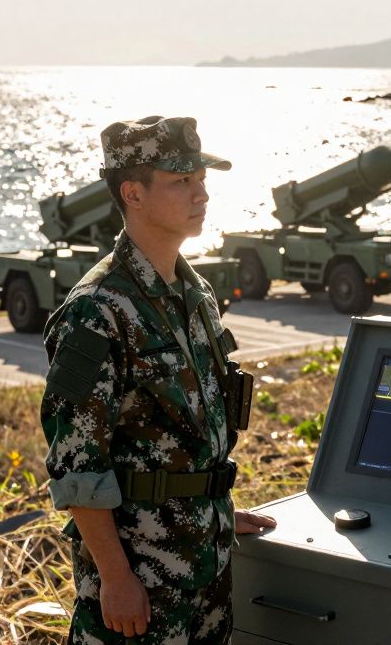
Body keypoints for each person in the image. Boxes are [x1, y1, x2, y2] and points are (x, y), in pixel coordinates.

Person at [41, 115, 277, 644]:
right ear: (134, 194)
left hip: (205, 562)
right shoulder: (98, 310)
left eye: (200, 178)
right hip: (142, 576)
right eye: (181, 181)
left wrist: (215, 510)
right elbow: (77, 461)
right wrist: (115, 577)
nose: (201, 194)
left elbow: (191, 432)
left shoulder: (193, 295)